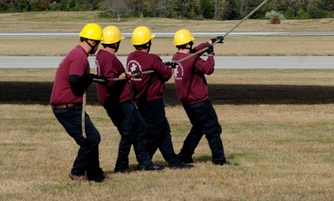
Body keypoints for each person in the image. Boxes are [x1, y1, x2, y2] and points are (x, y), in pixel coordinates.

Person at [95, 25, 164, 172]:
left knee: (141, 127)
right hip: (118, 103)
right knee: (128, 134)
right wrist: (123, 76)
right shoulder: (108, 58)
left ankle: (145, 162)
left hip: (122, 101)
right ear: (115, 43)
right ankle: (121, 166)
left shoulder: (101, 56)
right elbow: (111, 81)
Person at [126, 26, 192, 169]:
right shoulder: (152, 58)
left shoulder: (131, 58)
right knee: (155, 132)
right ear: (147, 43)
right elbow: (166, 75)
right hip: (153, 101)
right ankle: (145, 162)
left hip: (141, 100)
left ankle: (173, 162)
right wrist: (168, 67)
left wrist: (162, 66)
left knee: (164, 131)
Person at [50, 23, 107, 182]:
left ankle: (96, 176)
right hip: (68, 108)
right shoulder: (80, 56)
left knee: (91, 138)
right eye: (99, 43)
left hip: (68, 107)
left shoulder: (76, 53)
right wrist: (87, 81)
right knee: (92, 139)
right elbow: (75, 80)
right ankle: (77, 172)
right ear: (94, 42)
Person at [173, 29, 232, 166]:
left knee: (198, 128)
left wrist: (211, 42)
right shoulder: (192, 59)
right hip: (199, 102)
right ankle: (219, 160)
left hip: (187, 103)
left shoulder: (177, 57)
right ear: (188, 44)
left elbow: (195, 51)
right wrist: (210, 54)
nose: (192, 44)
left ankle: (185, 155)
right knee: (213, 129)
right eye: (191, 42)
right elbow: (208, 69)